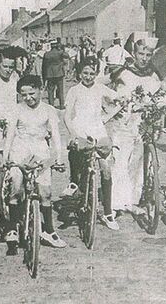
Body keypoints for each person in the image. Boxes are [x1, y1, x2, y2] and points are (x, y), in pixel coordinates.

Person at [1, 75, 66, 248]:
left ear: (41, 90)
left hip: (40, 150)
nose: (28, 98)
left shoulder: (49, 110)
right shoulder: (16, 109)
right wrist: (6, 157)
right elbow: (10, 135)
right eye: (24, 95)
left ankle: (49, 231)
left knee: (45, 192)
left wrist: (58, 157)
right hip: (20, 148)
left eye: (32, 93)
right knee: (16, 183)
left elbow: (56, 137)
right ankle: (12, 227)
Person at [109, 37, 163, 214]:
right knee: (121, 161)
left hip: (143, 123)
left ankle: (132, 200)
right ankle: (117, 202)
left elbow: (159, 95)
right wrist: (132, 104)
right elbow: (120, 98)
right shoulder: (125, 73)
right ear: (134, 53)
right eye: (141, 53)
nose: (144, 58)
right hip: (125, 122)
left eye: (148, 54)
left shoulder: (154, 75)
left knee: (138, 162)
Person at [64, 57, 120, 230]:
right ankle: (74, 182)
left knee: (106, 170)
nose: (88, 76)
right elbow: (67, 115)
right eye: (85, 73)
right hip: (80, 128)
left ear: (96, 73)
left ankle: (108, 212)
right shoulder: (74, 90)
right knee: (76, 153)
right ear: (79, 73)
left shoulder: (100, 88)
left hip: (97, 129)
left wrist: (109, 114)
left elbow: (119, 99)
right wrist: (72, 133)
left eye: (92, 73)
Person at [42, 39, 70, 109]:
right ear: (57, 45)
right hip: (59, 74)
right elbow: (67, 55)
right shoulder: (60, 52)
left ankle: (51, 106)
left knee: (50, 91)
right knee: (60, 90)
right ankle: (61, 105)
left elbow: (44, 67)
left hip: (49, 74)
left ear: (51, 46)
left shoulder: (46, 54)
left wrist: (44, 78)